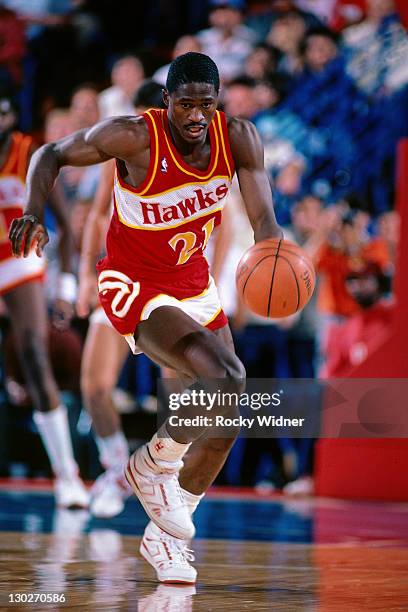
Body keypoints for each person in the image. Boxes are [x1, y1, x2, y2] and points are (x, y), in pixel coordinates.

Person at [9, 52, 282, 584]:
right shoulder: (134, 135)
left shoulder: (241, 138)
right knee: (227, 376)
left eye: (207, 103)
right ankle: (151, 461)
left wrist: (275, 255)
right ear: (167, 101)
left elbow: (264, 218)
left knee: (226, 415)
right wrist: (33, 213)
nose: (197, 114)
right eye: (186, 104)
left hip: (192, 283)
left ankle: (166, 536)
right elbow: (48, 153)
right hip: (135, 284)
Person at [76, 80, 166, 519]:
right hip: (122, 279)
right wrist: (81, 278)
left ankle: (168, 473)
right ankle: (116, 468)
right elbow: (95, 214)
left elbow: (218, 227)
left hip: (172, 283)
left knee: (178, 386)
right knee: (94, 386)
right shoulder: (117, 154)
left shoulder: (193, 158)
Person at [0, 91, 89, 508]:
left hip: (19, 262)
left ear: (11, 116)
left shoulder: (29, 153)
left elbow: (68, 228)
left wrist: (66, 289)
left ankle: (66, 473)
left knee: (35, 353)